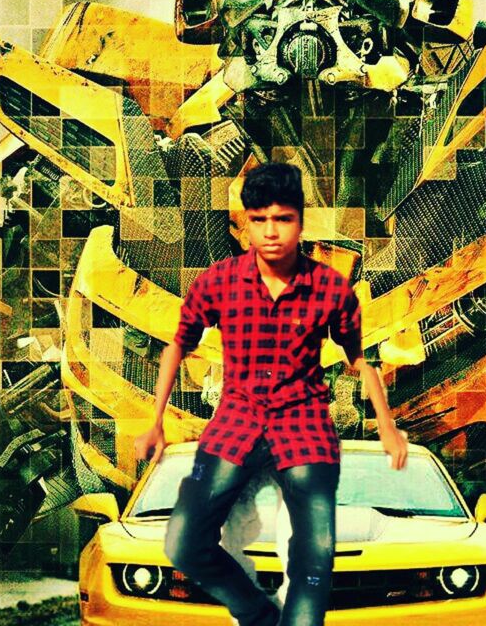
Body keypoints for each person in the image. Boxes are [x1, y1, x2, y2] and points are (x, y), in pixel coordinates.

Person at [134, 162, 408, 626]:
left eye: (283, 219)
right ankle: (258, 615)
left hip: (303, 423)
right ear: (246, 223)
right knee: (183, 542)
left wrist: (386, 425)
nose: (271, 232)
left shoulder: (331, 288)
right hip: (236, 419)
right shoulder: (217, 281)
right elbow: (178, 345)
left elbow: (360, 359)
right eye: (259, 220)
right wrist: (155, 421)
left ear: (300, 221)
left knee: (315, 556)